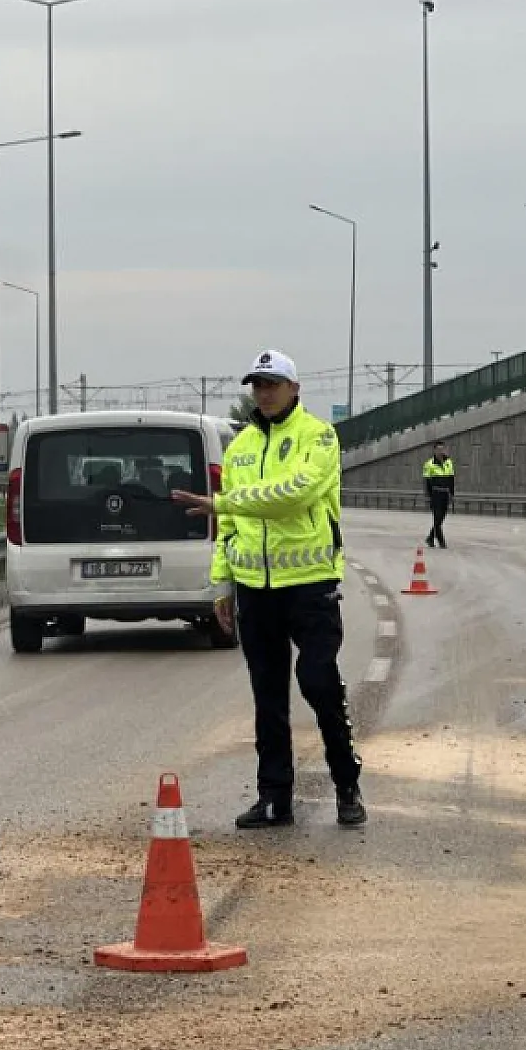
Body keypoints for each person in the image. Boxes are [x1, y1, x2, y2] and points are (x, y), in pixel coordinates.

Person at [171, 350, 366, 829]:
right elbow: (230, 526)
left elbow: (293, 495)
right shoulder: (239, 448)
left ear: (295, 389)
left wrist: (224, 500)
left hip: (310, 586)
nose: (264, 392)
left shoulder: (318, 436)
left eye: (273, 383)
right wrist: (222, 586)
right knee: (268, 695)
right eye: (257, 385)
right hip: (256, 591)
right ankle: (274, 797)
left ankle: (347, 784)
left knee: (318, 683)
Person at [423, 441, 455, 548]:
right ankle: (441, 541)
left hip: (445, 493)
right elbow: (426, 481)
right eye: (438, 449)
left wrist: (452, 493)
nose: (440, 451)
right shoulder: (429, 463)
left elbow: (451, 478)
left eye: (442, 449)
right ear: (434, 450)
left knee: (442, 517)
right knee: (437, 517)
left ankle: (430, 537)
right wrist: (428, 495)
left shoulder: (448, 462)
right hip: (435, 493)